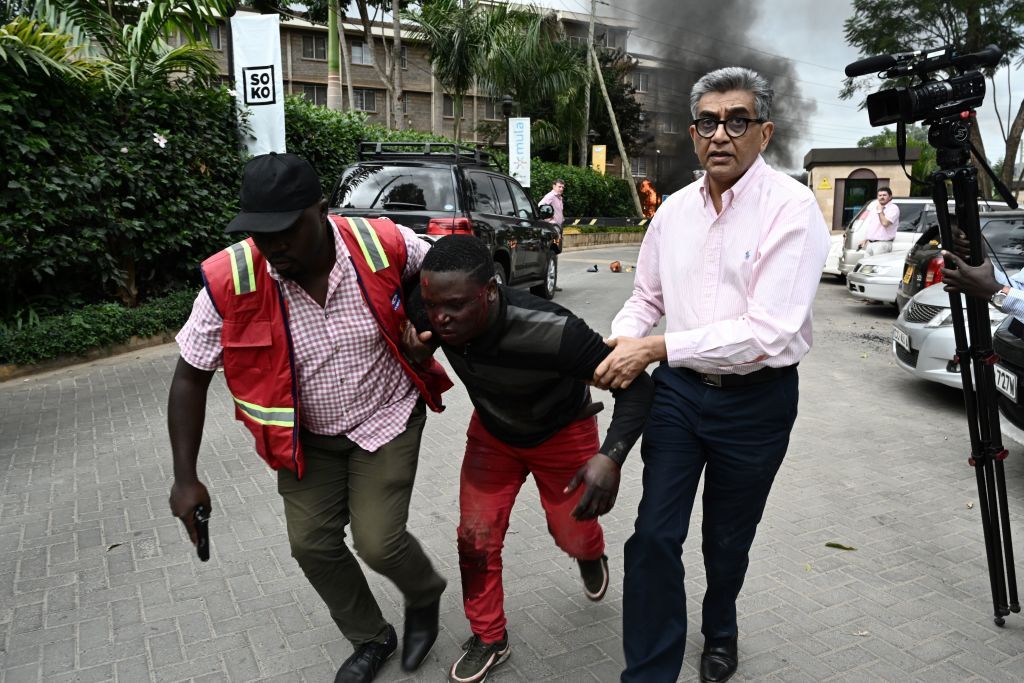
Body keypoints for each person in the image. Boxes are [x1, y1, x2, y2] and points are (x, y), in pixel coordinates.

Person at [167, 152, 453, 683]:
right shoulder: (233, 278)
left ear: (320, 211)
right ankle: (371, 636)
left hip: (385, 416)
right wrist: (186, 478)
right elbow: (189, 376)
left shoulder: (379, 242)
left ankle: (424, 593)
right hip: (305, 440)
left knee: (378, 541)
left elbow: (445, 265)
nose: (273, 248)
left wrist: (421, 319)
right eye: (259, 234)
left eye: (285, 231)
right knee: (311, 545)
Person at [592, 67, 831, 682]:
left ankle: (720, 628)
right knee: (652, 536)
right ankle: (649, 673)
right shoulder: (672, 212)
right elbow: (645, 297)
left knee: (726, 542)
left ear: (764, 132)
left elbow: (769, 330)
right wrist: (623, 340)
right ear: (694, 134)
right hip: (678, 396)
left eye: (737, 121)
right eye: (707, 122)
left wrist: (654, 348)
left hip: (757, 403)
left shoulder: (792, 208)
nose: (720, 134)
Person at [401, 235, 654, 683]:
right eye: (432, 304)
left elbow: (636, 387)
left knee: (571, 533)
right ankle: (489, 637)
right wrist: (419, 354)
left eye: (456, 305)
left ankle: (588, 550)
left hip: (562, 433)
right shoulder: (431, 309)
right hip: (493, 434)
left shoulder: (555, 330)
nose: (441, 318)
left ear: (492, 290)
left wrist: (610, 457)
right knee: (475, 539)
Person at [856, 187, 900, 256]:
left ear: (890, 196)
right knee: (866, 266)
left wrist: (880, 210)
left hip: (882, 244)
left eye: (884, 195)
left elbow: (885, 223)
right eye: (880, 195)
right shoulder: (874, 208)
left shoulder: (893, 208)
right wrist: (865, 239)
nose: (882, 197)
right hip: (870, 244)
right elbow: (872, 226)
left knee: (877, 266)